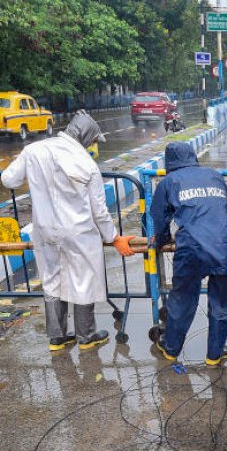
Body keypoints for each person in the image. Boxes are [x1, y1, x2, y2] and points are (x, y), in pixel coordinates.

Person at [1, 110, 134, 352]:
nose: (93, 146)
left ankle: (57, 338)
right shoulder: (87, 165)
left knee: (51, 280)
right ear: (85, 137)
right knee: (83, 281)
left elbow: (9, 180)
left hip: (44, 229)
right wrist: (114, 238)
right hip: (79, 233)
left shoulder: (33, 150)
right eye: (93, 141)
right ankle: (86, 336)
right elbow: (99, 212)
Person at [150, 141, 227, 367]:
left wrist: (162, 241)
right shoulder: (214, 175)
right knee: (222, 302)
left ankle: (170, 350)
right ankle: (214, 355)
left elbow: (159, 218)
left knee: (182, 301)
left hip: (191, 249)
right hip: (222, 246)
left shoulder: (168, 182)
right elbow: (226, 210)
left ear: (169, 162)